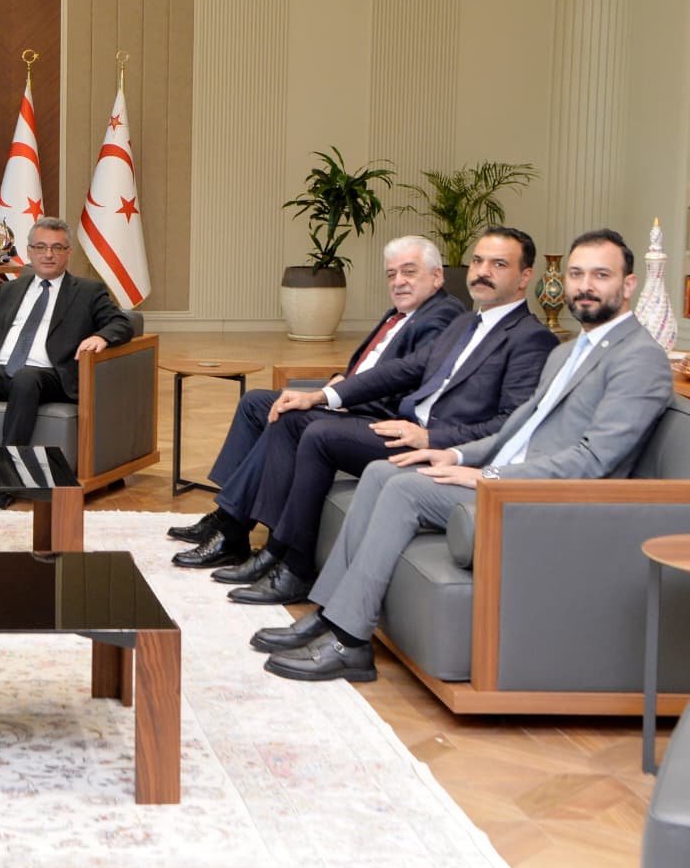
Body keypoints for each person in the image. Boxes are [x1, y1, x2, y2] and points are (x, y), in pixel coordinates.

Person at [254, 228, 672, 682]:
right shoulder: (569, 352)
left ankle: (349, 641)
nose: (585, 286)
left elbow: (594, 460)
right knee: (381, 470)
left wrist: (488, 477)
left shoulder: (640, 358)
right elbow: (517, 429)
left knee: (405, 492)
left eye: (601, 275)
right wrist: (454, 455)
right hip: (503, 478)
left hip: (545, 499)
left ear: (628, 284)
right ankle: (330, 613)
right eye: (576, 274)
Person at [180, 228, 558, 599]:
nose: (482, 271)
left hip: (437, 446)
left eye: (498, 264)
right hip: (406, 430)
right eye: (477, 261)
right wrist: (323, 396)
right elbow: (403, 370)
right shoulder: (466, 323)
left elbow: (512, 424)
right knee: (293, 414)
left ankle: (291, 564)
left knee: (315, 432)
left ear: (524, 277)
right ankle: (267, 547)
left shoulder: (531, 338)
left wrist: (432, 438)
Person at [167, 236, 462, 552]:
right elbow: (371, 366)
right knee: (254, 403)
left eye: (409, 272)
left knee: (287, 415)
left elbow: (403, 377)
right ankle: (227, 515)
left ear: (437, 276)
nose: (398, 281)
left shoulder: (443, 315)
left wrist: (335, 398)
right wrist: (340, 380)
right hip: (352, 400)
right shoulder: (403, 313)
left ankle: (231, 528)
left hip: (377, 417)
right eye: (391, 274)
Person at [0, 217, 132, 511]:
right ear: (29, 251)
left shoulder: (88, 291)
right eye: (41, 247)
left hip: (49, 376)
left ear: (69, 253)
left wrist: (101, 336)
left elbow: (122, 323)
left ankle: (6, 482)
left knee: (26, 377)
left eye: (57, 248)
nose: (48, 254)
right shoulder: (10, 290)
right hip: (1, 372)